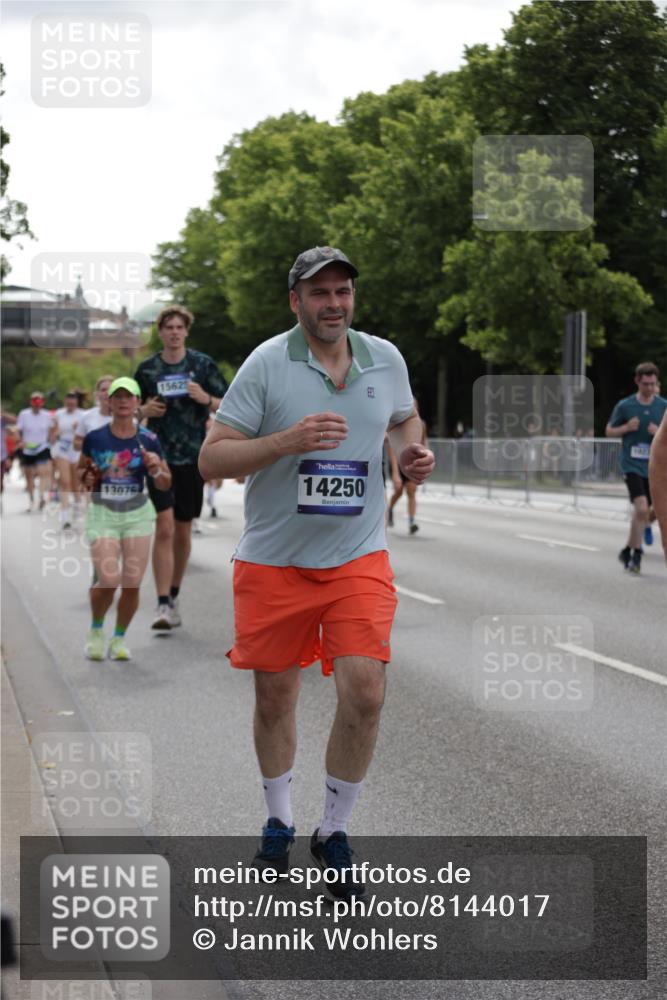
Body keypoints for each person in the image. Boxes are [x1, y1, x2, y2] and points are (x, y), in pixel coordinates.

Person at [199, 246, 435, 899]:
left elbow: (403, 417)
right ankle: (279, 819)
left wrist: (411, 452)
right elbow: (210, 461)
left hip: (357, 556)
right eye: (319, 293)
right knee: (275, 698)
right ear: (295, 301)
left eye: (343, 292)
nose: (333, 304)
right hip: (274, 561)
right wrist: (285, 441)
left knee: (365, 692)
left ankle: (333, 832)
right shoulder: (267, 364)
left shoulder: (382, 357)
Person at [134, 306, 228, 630]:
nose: (174, 332)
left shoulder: (201, 365)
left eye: (179, 327)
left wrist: (205, 398)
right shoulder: (147, 370)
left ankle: (173, 595)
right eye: (168, 327)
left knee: (183, 530)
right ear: (160, 332)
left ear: (186, 331)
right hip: (157, 458)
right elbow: (127, 411)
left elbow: (230, 403)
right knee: (164, 527)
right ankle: (161, 604)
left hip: (192, 458)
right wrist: (143, 409)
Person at [78, 377, 171, 662]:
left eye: (128, 397)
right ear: (108, 402)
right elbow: (80, 475)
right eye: (116, 396)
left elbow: (166, 483)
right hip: (103, 512)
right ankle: (96, 630)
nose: (122, 401)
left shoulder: (148, 440)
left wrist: (155, 469)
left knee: (131, 583)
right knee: (108, 579)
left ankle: (118, 638)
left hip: (136, 514)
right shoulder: (95, 438)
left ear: (137, 402)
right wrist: (89, 477)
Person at [606, 362, 667, 573]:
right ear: (637, 382)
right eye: (645, 384)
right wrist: (626, 427)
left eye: (652, 384)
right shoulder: (625, 406)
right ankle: (637, 555)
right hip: (631, 465)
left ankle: (627, 549)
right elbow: (609, 431)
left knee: (648, 513)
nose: (649, 388)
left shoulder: (663, 406)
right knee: (641, 508)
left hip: (655, 468)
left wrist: (658, 432)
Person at [385, 398, 428, 533]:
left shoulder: (421, 424)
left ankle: (411, 521)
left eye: (415, 405)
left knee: (411, 490)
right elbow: (391, 449)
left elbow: (423, 442)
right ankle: (390, 509)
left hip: (412, 462)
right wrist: (396, 473)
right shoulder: (396, 425)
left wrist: (424, 459)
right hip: (397, 463)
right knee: (398, 492)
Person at [50, 390, 85, 529]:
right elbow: (53, 432)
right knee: (65, 482)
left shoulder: (83, 415)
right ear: (65, 401)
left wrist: (78, 429)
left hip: (76, 449)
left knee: (76, 483)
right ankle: (64, 516)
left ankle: (77, 506)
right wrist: (54, 433)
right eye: (68, 400)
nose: (70, 402)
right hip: (63, 448)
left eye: (73, 400)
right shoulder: (59, 414)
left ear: (76, 401)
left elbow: (87, 434)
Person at [15, 391, 53, 511]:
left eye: (39, 401)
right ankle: (31, 500)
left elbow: (53, 429)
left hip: (42, 447)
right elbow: (17, 430)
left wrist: (52, 438)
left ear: (42, 403)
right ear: (31, 402)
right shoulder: (24, 414)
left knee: (43, 473)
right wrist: (19, 441)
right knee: (29, 476)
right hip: (28, 449)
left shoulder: (47, 415)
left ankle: (41, 496)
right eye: (34, 401)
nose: (37, 404)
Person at [74, 374, 114, 449]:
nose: (107, 393)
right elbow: (76, 444)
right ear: (97, 394)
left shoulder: (124, 416)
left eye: (110, 390)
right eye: (103, 390)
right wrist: (92, 445)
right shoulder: (86, 416)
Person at [648, 410, 667, 565]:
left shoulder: (659, 404)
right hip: (637, 465)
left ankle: (645, 521)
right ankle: (644, 521)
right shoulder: (626, 406)